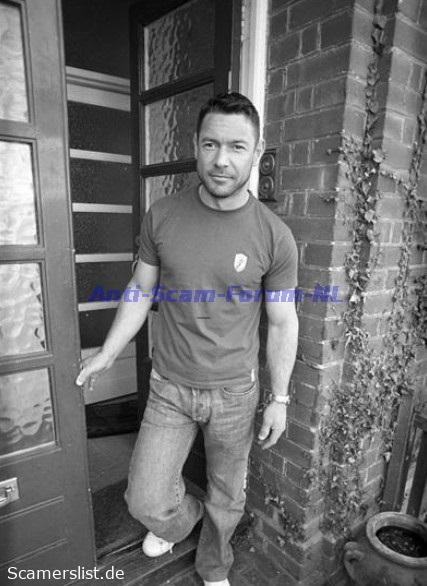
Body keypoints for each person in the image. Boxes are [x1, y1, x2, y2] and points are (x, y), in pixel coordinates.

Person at [76, 92, 298, 586]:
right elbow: (140, 289)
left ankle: (214, 565)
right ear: (196, 145)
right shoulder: (163, 215)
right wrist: (107, 354)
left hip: (236, 392)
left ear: (256, 153)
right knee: (145, 499)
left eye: (237, 147)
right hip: (169, 387)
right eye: (212, 144)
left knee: (228, 493)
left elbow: (283, 322)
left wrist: (280, 398)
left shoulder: (274, 236)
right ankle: (182, 519)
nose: (222, 160)